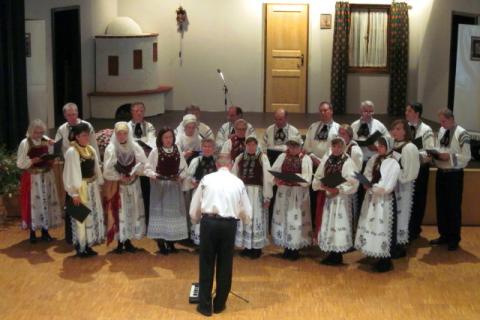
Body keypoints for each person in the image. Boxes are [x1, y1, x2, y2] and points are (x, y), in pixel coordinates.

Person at [190, 154, 252, 316]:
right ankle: (219, 304)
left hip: (209, 223)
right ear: (231, 165)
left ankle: (204, 306)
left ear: (217, 165)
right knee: (225, 264)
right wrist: (246, 221)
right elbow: (246, 209)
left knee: (206, 263)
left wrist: (195, 218)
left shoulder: (206, 179)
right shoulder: (238, 182)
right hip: (228, 225)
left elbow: (195, 204)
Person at [55, 102, 100, 244]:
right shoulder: (63, 131)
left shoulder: (87, 128)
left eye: (74, 114)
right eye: (69, 115)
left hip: (87, 174)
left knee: (88, 211)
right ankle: (76, 240)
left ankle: (88, 239)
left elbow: (93, 145)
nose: (72, 117)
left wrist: (96, 165)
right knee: (76, 210)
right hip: (73, 176)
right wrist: (73, 192)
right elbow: (57, 146)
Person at [355, 136, 401, 272]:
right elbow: (368, 172)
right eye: (378, 146)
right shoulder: (374, 159)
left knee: (382, 227)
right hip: (371, 198)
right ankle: (372, 250)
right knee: (370, 225)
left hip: (383, 200)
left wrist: (372, 187)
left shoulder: (393, 163)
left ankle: (385, 259)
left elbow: (388, 184)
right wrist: (365, 182)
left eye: (382, 146)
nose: (379, 148)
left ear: (388, 147)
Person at [102, 122, 149, 253]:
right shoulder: (111, 148)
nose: (122, 136)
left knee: (132, 212)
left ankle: (128, 241)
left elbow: (144, 164)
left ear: (128, 134)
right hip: (118, 186)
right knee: (119, 213)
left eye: (124, 133)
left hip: (133, 185)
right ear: (115, 134)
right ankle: (119, 241)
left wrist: (135, 173)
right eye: (119, 133)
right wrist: (120, 177)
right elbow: (107, 170)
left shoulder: (134, 146)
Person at [312, 137, 358, 265]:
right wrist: (321, 185)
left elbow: (353, 181)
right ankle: (331, 252)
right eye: (334, 146)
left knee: (338, 224)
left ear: (343, 148)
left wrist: (338, 190)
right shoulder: (327, 159)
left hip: (340, 200)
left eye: (339, 147)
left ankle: (337, 254)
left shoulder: (348, 161)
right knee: (329, 223)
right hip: (328, 198)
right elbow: (318, 175)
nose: (336, 149)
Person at [430, 108, 471, 251]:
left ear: (451, 119)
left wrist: (450, 157)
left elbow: (466, 157)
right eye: (440, 121)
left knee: (453, 206)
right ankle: (444, 235)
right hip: (441, 172)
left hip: (454, 174)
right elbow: (440, 147)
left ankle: (454, 238)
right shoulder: (442, 131)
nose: (441, 124)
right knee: (441, 205)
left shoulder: (462, 133)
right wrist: (434, 154)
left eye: (444, 121)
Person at [63, 123, 105, 257]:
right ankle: (80, 247)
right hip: (79, 189)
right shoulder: (72, 152)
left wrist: (99, 183)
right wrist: (73, 193)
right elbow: (70, 174)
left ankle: (88, 245)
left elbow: (96, 168)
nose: (86, 137)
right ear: (76, 137)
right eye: (83, 135)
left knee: (91, 217)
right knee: (80, 218)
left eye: (87, 135)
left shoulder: (90, 149)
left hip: (91, 187)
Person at [17, 119, 62, 243]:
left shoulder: (45, 139)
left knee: (46, 202)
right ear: (31, 131)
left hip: (46, 175)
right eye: (36, 133)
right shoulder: (25, 143)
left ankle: (45, 231)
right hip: (33, 177)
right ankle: (32, 232)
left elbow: (51, 151)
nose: (39, 135)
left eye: (41, 132)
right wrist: (32, 161)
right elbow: (20, 163)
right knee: (34, 204)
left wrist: (52, 157)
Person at [145, 127, 188, 255]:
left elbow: (184, 168)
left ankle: (171, 243)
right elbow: (147, 169)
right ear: (161, 139)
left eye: (170, 137)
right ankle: (161, 243)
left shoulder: (177, 150)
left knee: (173, 214)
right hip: (160, 187)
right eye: (166, 137)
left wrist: (181, 176)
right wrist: (155, 176)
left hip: (173, 187)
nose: (169, 140)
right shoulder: (155, 152)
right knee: (161, 214)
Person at [271, 135, 313, 261]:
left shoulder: (305, 159)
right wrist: (277, 179)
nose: (292, 148)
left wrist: (294, 177)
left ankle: (294, 248)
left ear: (300, 146)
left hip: (297, 194)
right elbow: (274, 171)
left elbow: (307, 179)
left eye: (295, 146)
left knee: (295, 219)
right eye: (290, 145)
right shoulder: (282, 156)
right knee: (284, 218)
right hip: (284, 192)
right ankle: (286, 246)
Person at [232, 136, 273, 259]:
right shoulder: (240, 158)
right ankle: (247, 246)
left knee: (256, 218)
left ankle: (257, 248)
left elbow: (268, 178)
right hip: (243, 192)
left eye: (253, 145)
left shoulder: (262, 158)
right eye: (248, 145)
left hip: (257, 193)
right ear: (245, 145)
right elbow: (234, 175)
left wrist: (267, 197)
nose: (250, 147)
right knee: (245, 218)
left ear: (256, 145)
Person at [405, 103, 435, 241]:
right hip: (405, 168)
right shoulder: (403, 127)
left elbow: (429, 153)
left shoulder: (426, 130)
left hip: (420, 169)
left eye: (409, 111)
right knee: (406, 198)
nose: (406, 112)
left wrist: (412, 153)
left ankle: (414, 229)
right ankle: (405, 227)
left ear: (417, 113)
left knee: (418, 199)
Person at [390, 119, 420, 258]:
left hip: (403, 187)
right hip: (392, 186)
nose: (394, 131)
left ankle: (400, 245)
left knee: (401, 215)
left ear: (405, 131)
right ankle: (392, 242)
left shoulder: (409, 148)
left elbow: (410, 172)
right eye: (393, 129)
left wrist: (396, 175)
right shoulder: (393, 144)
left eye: (397, 129)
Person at [128, 102, 157, 227]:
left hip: (145, 164)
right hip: (131, 163)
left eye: (141, 110)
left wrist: (145, 147)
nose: (139, 113)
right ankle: (135, 222)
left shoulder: (149, 126)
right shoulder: (127, 126)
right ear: (132, 112)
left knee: (147, 194)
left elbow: (152, 141)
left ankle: (149, 221)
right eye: (136, 111)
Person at [185, 138, 217, 245]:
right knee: (198, 216)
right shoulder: (196, 161)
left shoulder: (217, 162)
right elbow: (189, 177)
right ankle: (198, 241)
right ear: (201, 148)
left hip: (213, 195)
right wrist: (193, 182)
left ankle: (211, 240)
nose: (207, 149)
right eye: (205, 146)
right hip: (199, 194)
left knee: (211, 217)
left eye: (209, 147)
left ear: (213, 149)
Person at [304, 101, 340, 166]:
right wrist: (313, 158)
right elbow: (307, 146)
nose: (322, 113)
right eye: (320, 111)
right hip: (312, 161)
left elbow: (339, 149)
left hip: (330, 163)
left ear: (331, 111)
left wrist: (324, 162)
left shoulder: (338, 129)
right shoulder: (313, 127)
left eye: (325, 110)